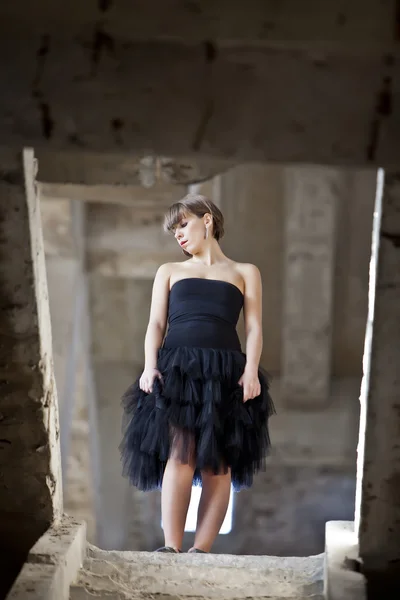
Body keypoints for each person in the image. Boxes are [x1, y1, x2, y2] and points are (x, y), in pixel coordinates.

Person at [120, 193, 275, 554]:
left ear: (207, 220)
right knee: (181, 454)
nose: (178, 234)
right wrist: (149, 365)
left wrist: (251, 371)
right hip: (180, 369)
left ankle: (201, 551)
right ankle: (171, 548)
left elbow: (253, 328)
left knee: (219, 464)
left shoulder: (245, 272)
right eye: (174, 230)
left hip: (227, 371)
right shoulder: (169, 271)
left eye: (183, 224)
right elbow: (156, 323)